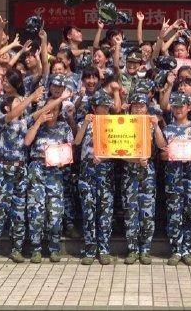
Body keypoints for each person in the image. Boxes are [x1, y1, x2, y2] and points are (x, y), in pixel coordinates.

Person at [0, 86, 44, 264]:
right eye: (17, 102)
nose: (21, 104)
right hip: (2, 169)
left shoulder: (25, 122)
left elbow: (42, 111)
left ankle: (17, 249)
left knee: (18, 211)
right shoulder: (3, 119)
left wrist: (61, 99)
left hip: (20, 170)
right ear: (8, 107)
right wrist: (31, 97)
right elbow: (15, 113)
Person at [157, 92, 191, 266]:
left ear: (188, 108)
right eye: (175, 106)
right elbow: (162, 155)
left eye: (182, 106)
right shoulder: (167, 129)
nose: (178, 109)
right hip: (173, 178)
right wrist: (170, 154)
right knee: (174, 213)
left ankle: (188, 250)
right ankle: (176, 250)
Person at [24, 100, 74, 263]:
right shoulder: (36, 125)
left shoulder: (64, 127)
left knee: (55, 212)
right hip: (37, 169)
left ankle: (54, 248)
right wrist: (38, 122)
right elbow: (27, 142)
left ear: (59, 112)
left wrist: (63, 161)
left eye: (55, 109)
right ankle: (36, 249)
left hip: (55, 172)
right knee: (36, 211)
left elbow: (69, 149)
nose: (51, 112)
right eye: (48, 109)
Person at [74, 90, 116, 265]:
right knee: (88, 211)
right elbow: (77, 142)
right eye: (101, 106)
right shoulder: (86, 122)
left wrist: (104, 158)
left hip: (105, 170)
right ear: (94, 107)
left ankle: (104, 249)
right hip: (87, 170)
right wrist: (85, 123)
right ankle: (90, 250)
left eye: (107, 106)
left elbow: (119, 148)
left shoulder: (114, 123)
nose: (104, 109)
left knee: (105, 212)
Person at [122, 92, 164, 265]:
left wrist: (157, 126)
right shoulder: (124, 124)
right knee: (130, 212)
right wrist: (134, 160)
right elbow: (118, 151)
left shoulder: (151, 124)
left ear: (147, 107)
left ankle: (145, 249)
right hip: (129, 172)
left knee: (147, 212)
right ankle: (132, 250)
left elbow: (162, 145)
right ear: (131, 107)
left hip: (148, 172)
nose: (139, 108)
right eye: (135, 106)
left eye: (142, 105)